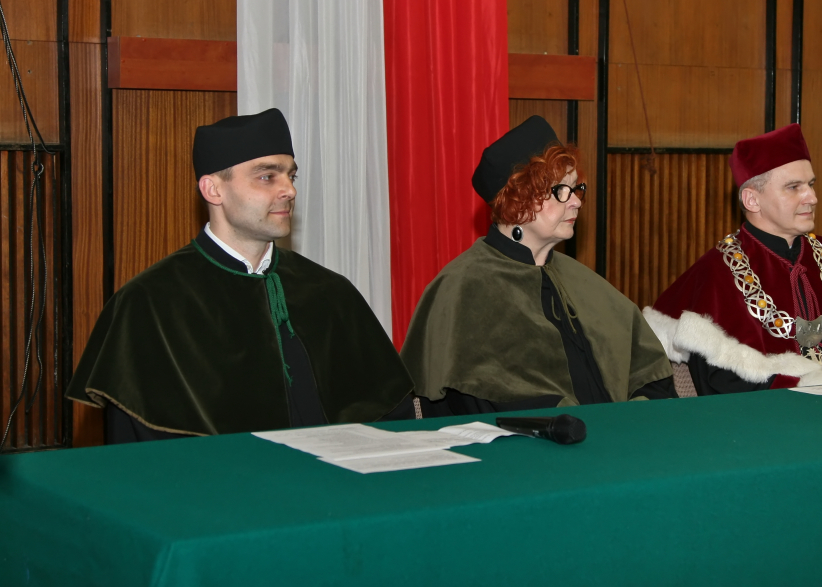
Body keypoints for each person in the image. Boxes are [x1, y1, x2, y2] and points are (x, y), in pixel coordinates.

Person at [66, 109, 414, 441]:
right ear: (213, 189)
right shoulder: (150, 303)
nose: (289, 190)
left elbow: (390, 416)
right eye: (267, 176)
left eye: (291, 176)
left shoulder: (330, 292)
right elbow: (140, 449)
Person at [402, 115, 675, 416]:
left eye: (576, 188)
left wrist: (634, 418)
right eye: (561, 190)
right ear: (517, 199)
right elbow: (490, 397)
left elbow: (650, 373)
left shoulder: (581, 279)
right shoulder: (463, 286)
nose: (576, 202)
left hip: (617, 434)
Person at [643, 123, 822, 395]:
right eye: (794, 187)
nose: (812, 197)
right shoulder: (713, 275)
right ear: (752, 200)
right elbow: (726, 385)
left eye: (811, 184)